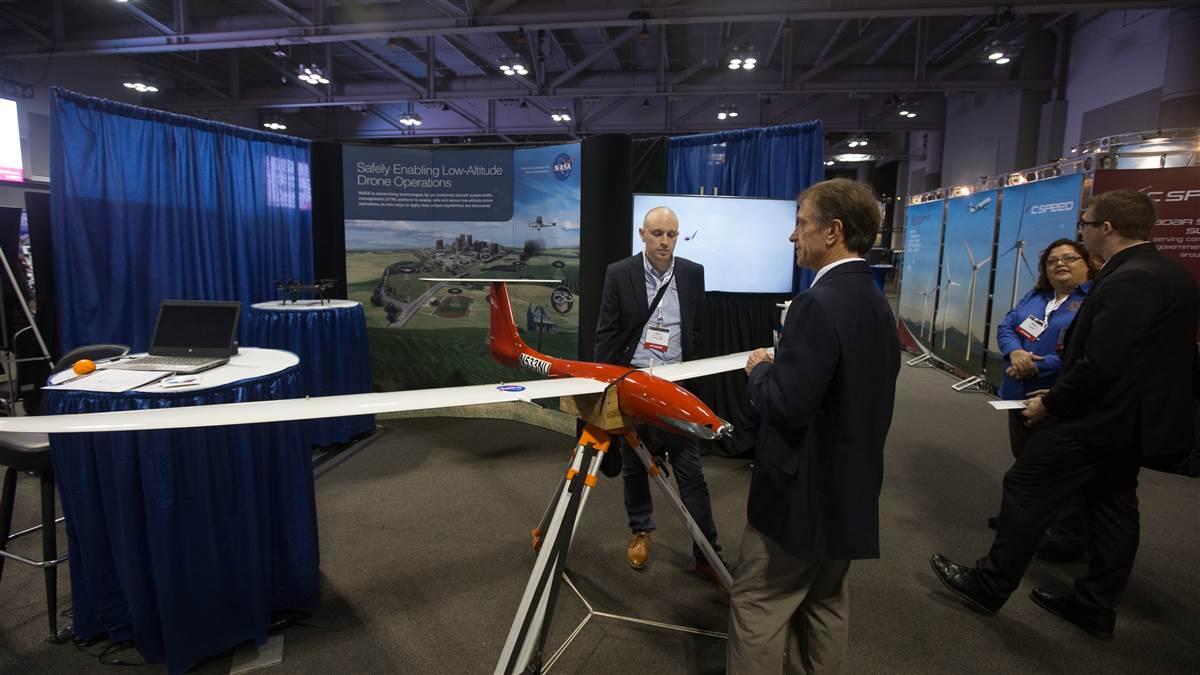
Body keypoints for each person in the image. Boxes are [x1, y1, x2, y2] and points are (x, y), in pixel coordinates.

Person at [931, 189, 1200, 640]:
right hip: (1135, 420)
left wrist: (1052, 402)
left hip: (1099, 419)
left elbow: (1103, 362)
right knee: (1113, 504)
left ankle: (989, 583)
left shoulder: (1129, 280)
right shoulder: (1173, 275)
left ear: (1107, 228)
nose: (1083, 230)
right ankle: (1094, 605)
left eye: (1087, 223)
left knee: (1026, 483)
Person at [727, 178, 901, 674]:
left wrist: (760, 369)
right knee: (824, 606)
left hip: (798, 500)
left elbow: (783, 405)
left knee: (758, 605)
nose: (792, 236)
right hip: (848, 491)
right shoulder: (874, 302)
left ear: (833, 231)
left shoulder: (816, 304)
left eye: (801, 223)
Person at [593, 205, 723, 587]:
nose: (664, 241)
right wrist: (607, 389)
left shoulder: (692, 273)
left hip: (677, 389)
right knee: (636, 467)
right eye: (657, 234)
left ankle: (707, 551)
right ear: (642, 234)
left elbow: (698, 329)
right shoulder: (620, 274)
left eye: (671, 234)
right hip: (635, 387)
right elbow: (606, 333)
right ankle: (641, 530)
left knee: (691, 474)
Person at [990, 239, 1095, 562]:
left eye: (1069, 258)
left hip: (1057, 396)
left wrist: (1038, 365)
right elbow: (1008, 325)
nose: (1059, 265)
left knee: (1057, 470)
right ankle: (1022, 521)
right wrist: (1016, 352)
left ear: (1086, 264)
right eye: (1052, 261)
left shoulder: (1091, 301)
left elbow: (1085, 352)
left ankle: (1066, 537)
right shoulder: (1036, 297)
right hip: (1018, 393)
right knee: (1024, 459)